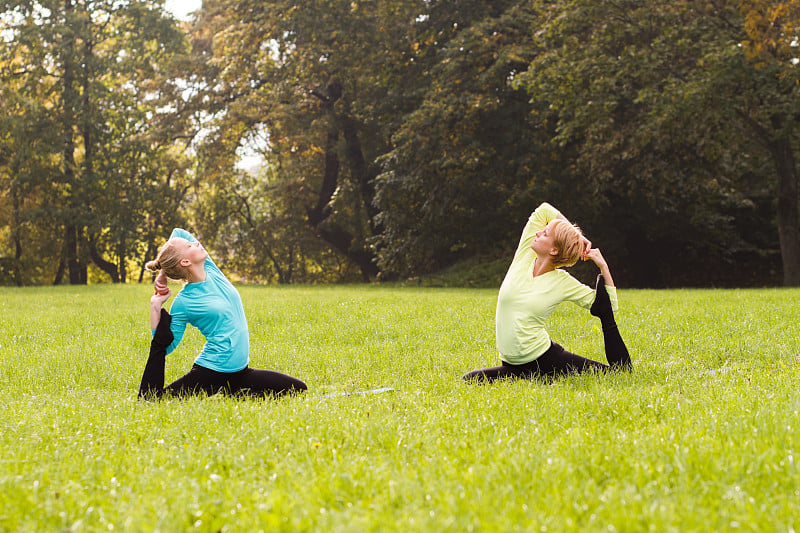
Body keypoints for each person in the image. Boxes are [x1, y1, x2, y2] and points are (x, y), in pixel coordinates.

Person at [463, 202, 631, 382]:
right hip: (512, 364)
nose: (537, 233)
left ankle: (542, 376)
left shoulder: (562, 281)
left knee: (617, 375)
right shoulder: (525, 255)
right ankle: (536, 378)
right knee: (469, 379)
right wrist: (578, 237)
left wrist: (602, 265)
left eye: (545, 233)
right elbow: (543, 210)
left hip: (545, 358)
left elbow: (608, 305)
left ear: (554, 249)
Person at [138, 228, 307, 399]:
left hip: (241, 372)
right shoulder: (184, 302)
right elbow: (164, 345)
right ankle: (227, 392)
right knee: (156, 400)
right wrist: (155, 305)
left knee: (298, 389)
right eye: (190, 246)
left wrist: (162, 273)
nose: (196, 242)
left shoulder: (211, 270)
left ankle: (232, 393)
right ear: (185, 262)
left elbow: (178, 232)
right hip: (211, 372)